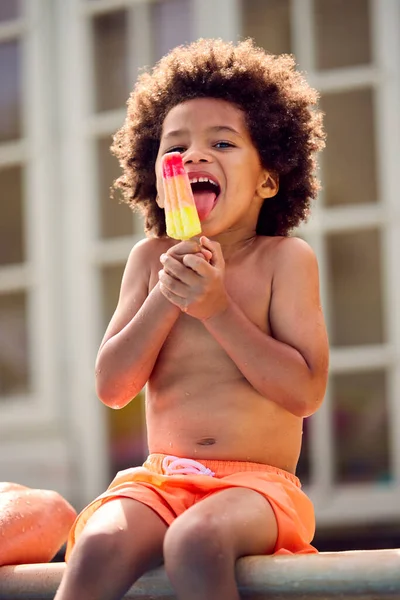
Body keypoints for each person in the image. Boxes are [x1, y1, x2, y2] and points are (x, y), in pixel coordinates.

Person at [55, 38, 329, 600]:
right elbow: (113, 388)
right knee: (98, 544)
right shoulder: (148, 260)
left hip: (255, 489)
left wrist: (218, 309)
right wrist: (165, 296)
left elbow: (304, 392)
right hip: (159, 480)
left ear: (268, 179)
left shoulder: (284, 260)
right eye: (174, 147)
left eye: (222, 142)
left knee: (195, 541)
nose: (194, 156)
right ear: (156, 179)